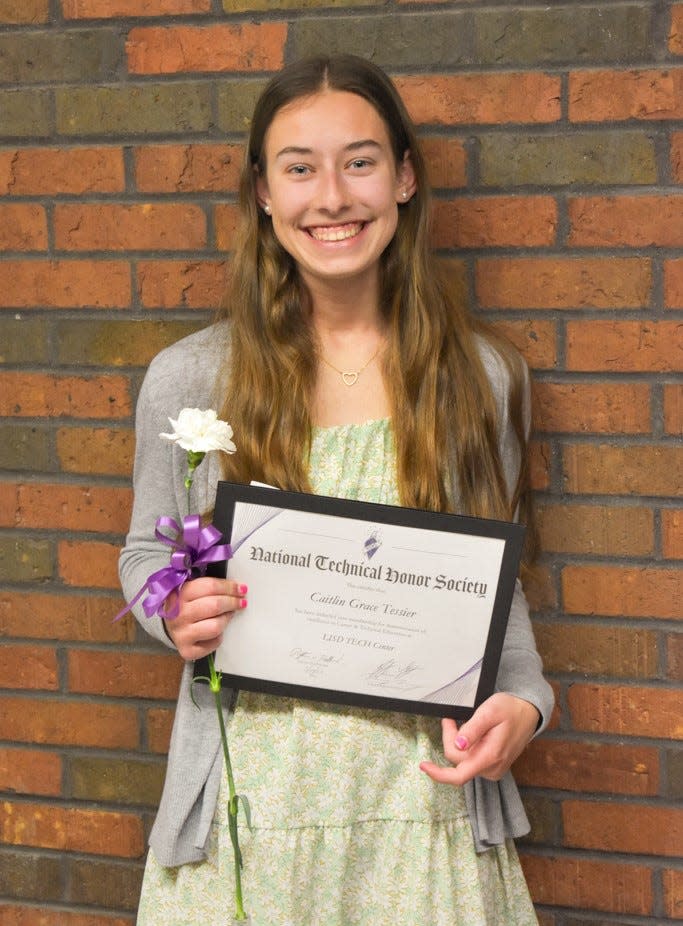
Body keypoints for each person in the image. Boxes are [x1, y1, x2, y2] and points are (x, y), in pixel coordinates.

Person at [119, 54, 554, 926]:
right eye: (299, 167)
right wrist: (168, 608)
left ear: (402, 179)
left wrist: (526, 707)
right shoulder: (190, 377)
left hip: (422, 809)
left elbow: (491, 597)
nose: (332, 197)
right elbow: (143, 553)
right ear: (263, 195)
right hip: (251, 815)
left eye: (358, 162)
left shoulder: (480, 376)